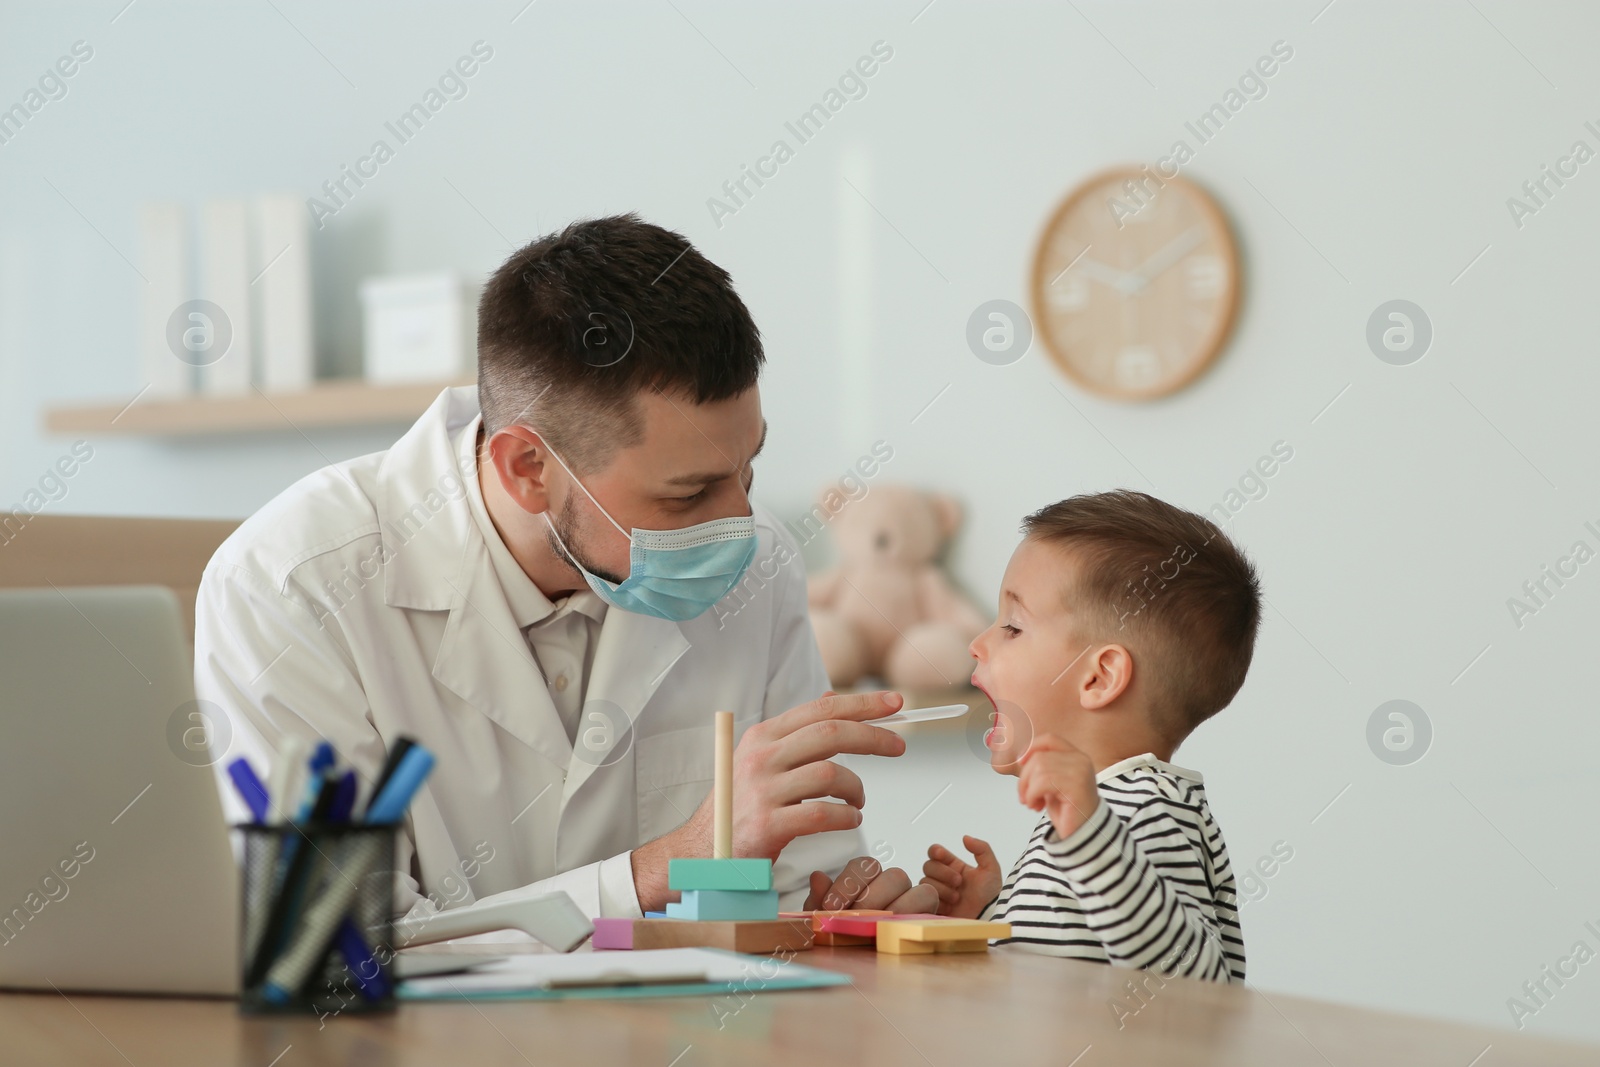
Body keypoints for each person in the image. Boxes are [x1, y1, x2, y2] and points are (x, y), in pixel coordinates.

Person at [195, 214, 934, 920]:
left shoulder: (758, 565)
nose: (739, 522)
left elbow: (799, 890)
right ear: (527, 468)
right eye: (689, 493)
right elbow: (340, 945)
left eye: (748, 467)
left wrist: (860, 916)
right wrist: (667, 864)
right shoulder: (293, 585)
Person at [921, 490, 1256, 982]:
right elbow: (1049, 987)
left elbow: (1193, 980)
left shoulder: (1147, 809)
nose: (978, 642)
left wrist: (1093, 838)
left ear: (1099, 678)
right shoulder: (1101, 813)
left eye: (1012, 627)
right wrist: (988, 917)